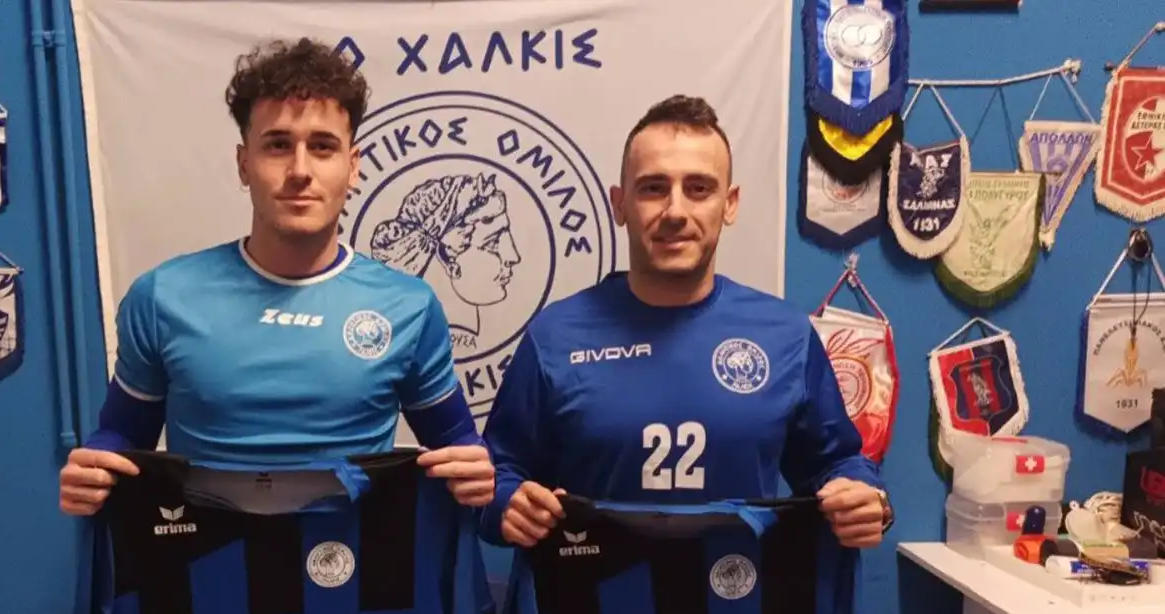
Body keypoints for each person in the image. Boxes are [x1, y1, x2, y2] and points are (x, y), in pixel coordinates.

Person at [58, 37, 494, 512]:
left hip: (351, 556)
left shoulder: (409, 306)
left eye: (322, 147)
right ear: (244, 164)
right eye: (278, 145)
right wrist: (94, 468)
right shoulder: (163, 297)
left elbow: (458, 446)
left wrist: (476, 472)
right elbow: (121, 437)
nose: (300, 170)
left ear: (352, 167)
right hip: (208, 554)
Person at [478, 94, 893, 549]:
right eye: (653, 188)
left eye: (699, 189)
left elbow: (836, 465)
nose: (675, 212)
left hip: (736, 587)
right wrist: (504, 505)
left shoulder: (786, 335)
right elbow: (499, 473)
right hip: (594, 589)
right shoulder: (555, 337)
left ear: (729, 204)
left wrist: (864, 495)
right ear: (619, 204)